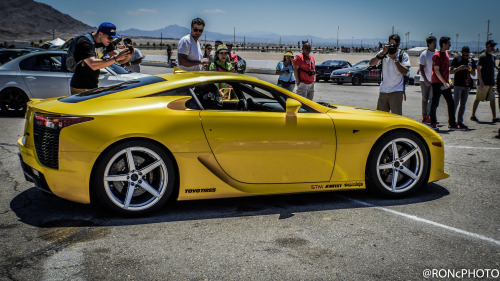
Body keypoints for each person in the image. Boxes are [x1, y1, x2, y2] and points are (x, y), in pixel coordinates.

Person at [70, 22, 131, 95]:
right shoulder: (84, 42)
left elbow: (121, 59)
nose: (111, 40)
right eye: (110, 37)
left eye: (113, 38)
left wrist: (128, 53)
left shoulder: (106, 42)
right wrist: (116, 58)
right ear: (100, 33)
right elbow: (93, 65)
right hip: (79, 86)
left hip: (93, 84)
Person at [369, 34, 411, 115]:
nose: (391, 46)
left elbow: (405, 71)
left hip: (396, 91)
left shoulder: (403, 55)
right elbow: (371, 63)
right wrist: (381, 54)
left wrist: (395, 59)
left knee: (396, 118)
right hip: (383, 90)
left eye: (393, 45)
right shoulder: (383, 53)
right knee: (380, 118)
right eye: (390, 44)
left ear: (398, 44)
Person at [429, 36, 461, 130]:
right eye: (448, 43)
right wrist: (444, 82)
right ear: (443, 44)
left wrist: (449, 81)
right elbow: (436, 70)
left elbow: (446, 70)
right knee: (435, 103)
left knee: (451, 102)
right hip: (437, 83)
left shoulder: (446, 54)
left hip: (445, 83)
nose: (450, 45)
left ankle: (452, 124)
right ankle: (433, 123)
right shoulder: (436, 55)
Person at [470, 40, 499, 123]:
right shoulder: (483, 56)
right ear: (487, 46)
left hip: (491, 82)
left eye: (494, 46)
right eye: (491, 46)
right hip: (483, 82)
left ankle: (494, 117)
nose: (493, 48)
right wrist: (481, 81)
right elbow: (478, 69)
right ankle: (472, 115)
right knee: (478, 99)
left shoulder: (493, 57)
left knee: (493, 99)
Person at [450, 46, 476, 130]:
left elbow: (474, 74)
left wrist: (469, 69)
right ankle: (452, 121)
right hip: (458, 84)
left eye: (467, 55)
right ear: (462, 52)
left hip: (467, 85)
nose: (465, 56)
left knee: (463, 105)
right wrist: (459, 68)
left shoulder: (471, 60)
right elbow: (450, 71)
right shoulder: (457, 59)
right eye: (464, 55)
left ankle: (460, 121)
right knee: (455, 103)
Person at [418, 36, 437, 123]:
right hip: (424, 80)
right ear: (429, 44)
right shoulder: (424, 54)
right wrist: (425, 80)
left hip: (434, 81)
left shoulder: (437, 53)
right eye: (434, 43)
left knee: (432, 99)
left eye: (436, 42)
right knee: (425, 99)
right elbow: (421, 68)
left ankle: (429, 115)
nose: (435, 44)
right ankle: (424, 115)